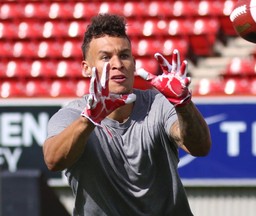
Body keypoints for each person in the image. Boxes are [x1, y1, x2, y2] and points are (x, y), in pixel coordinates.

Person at [43, 13, 211, 216]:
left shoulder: (157, 103)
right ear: (87, 69)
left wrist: (184, 104)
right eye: (105, 57)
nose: (118, 64)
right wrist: (89, 120)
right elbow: (53, 161)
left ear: (133, 62)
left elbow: (200, 147)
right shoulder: (72, 114)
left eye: (124, 55)